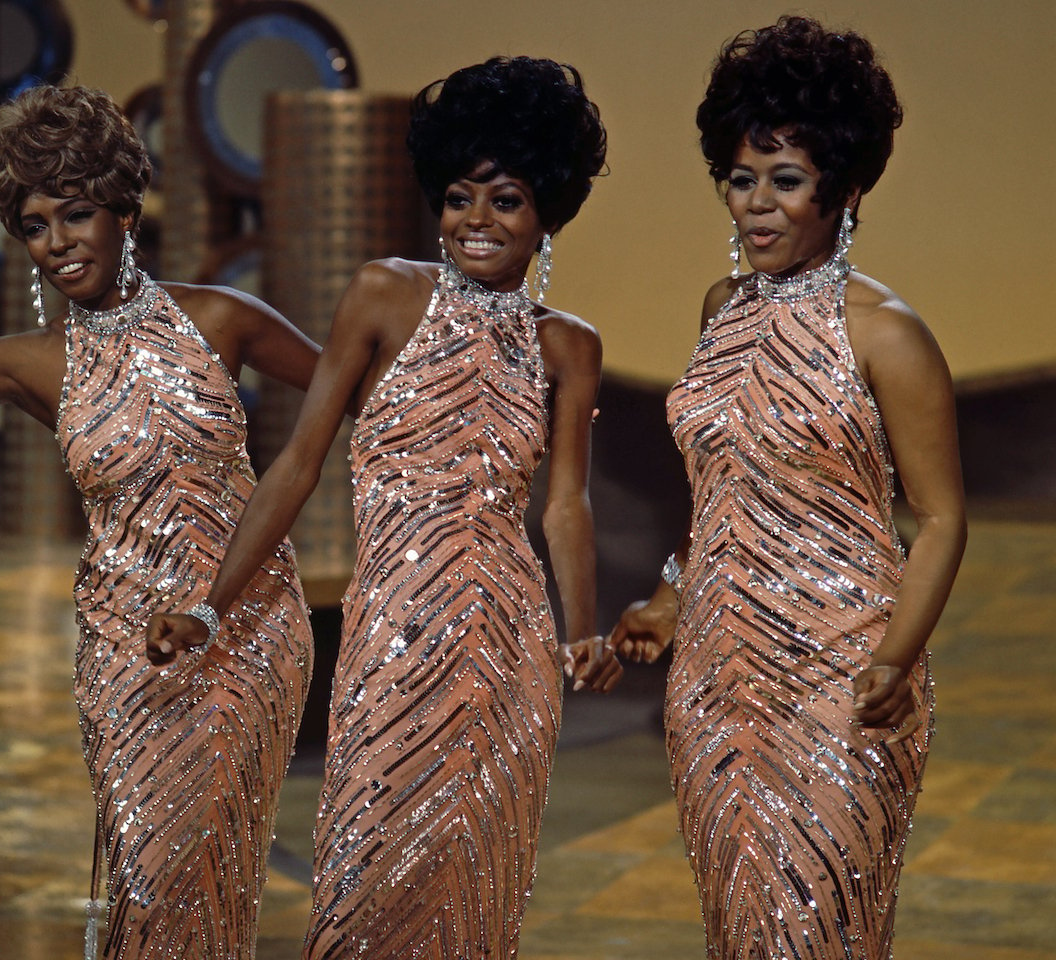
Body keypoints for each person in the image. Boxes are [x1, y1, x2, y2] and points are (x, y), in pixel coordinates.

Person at [147, 55, 621, 959]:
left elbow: (565, 505)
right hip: (389, 637)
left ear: (548, 212)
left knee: (473, 881)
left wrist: (581, 633)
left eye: (506, 199)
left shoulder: (570, 346)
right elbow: (294, 464)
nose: (476, 221)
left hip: (506, 646)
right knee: (365, 869)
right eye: (458, 196)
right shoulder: (381, 293)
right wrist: (212, 603)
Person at [0, 85, 320, 960]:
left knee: (214, 867)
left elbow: (364, 397)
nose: (59, 243)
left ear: (123, 209)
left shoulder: (223, 319)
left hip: (251, 629)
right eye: (35, 225)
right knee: (149, 869)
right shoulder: (28, 365)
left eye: (77, 214)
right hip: (123, 649)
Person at [610, 17, 966, 960]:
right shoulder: (720, 312)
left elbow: (940, 520)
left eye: (787, 180)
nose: (757, 206)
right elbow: (722, 488)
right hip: (716, 680)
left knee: (819, 932)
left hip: (843, 678)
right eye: (741, 178)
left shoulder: (887, 333)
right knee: (744, 929)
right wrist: (668, 597)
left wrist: (895, 656)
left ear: (845, 190)